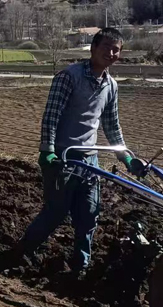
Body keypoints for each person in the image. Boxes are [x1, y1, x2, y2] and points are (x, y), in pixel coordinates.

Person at [12, 27, 145, 275]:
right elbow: (51, 116)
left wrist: (127, 157)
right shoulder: (69, 76)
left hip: (89, 159)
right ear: (93, 48)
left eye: (116, 50)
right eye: (106, 47)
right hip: (61, 156)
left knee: (89, 214)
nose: (111, 53)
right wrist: (47, 151)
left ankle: (80, 268)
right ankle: (23, 252)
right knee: (56, 212)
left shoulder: (111, 86)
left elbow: (112, 125)